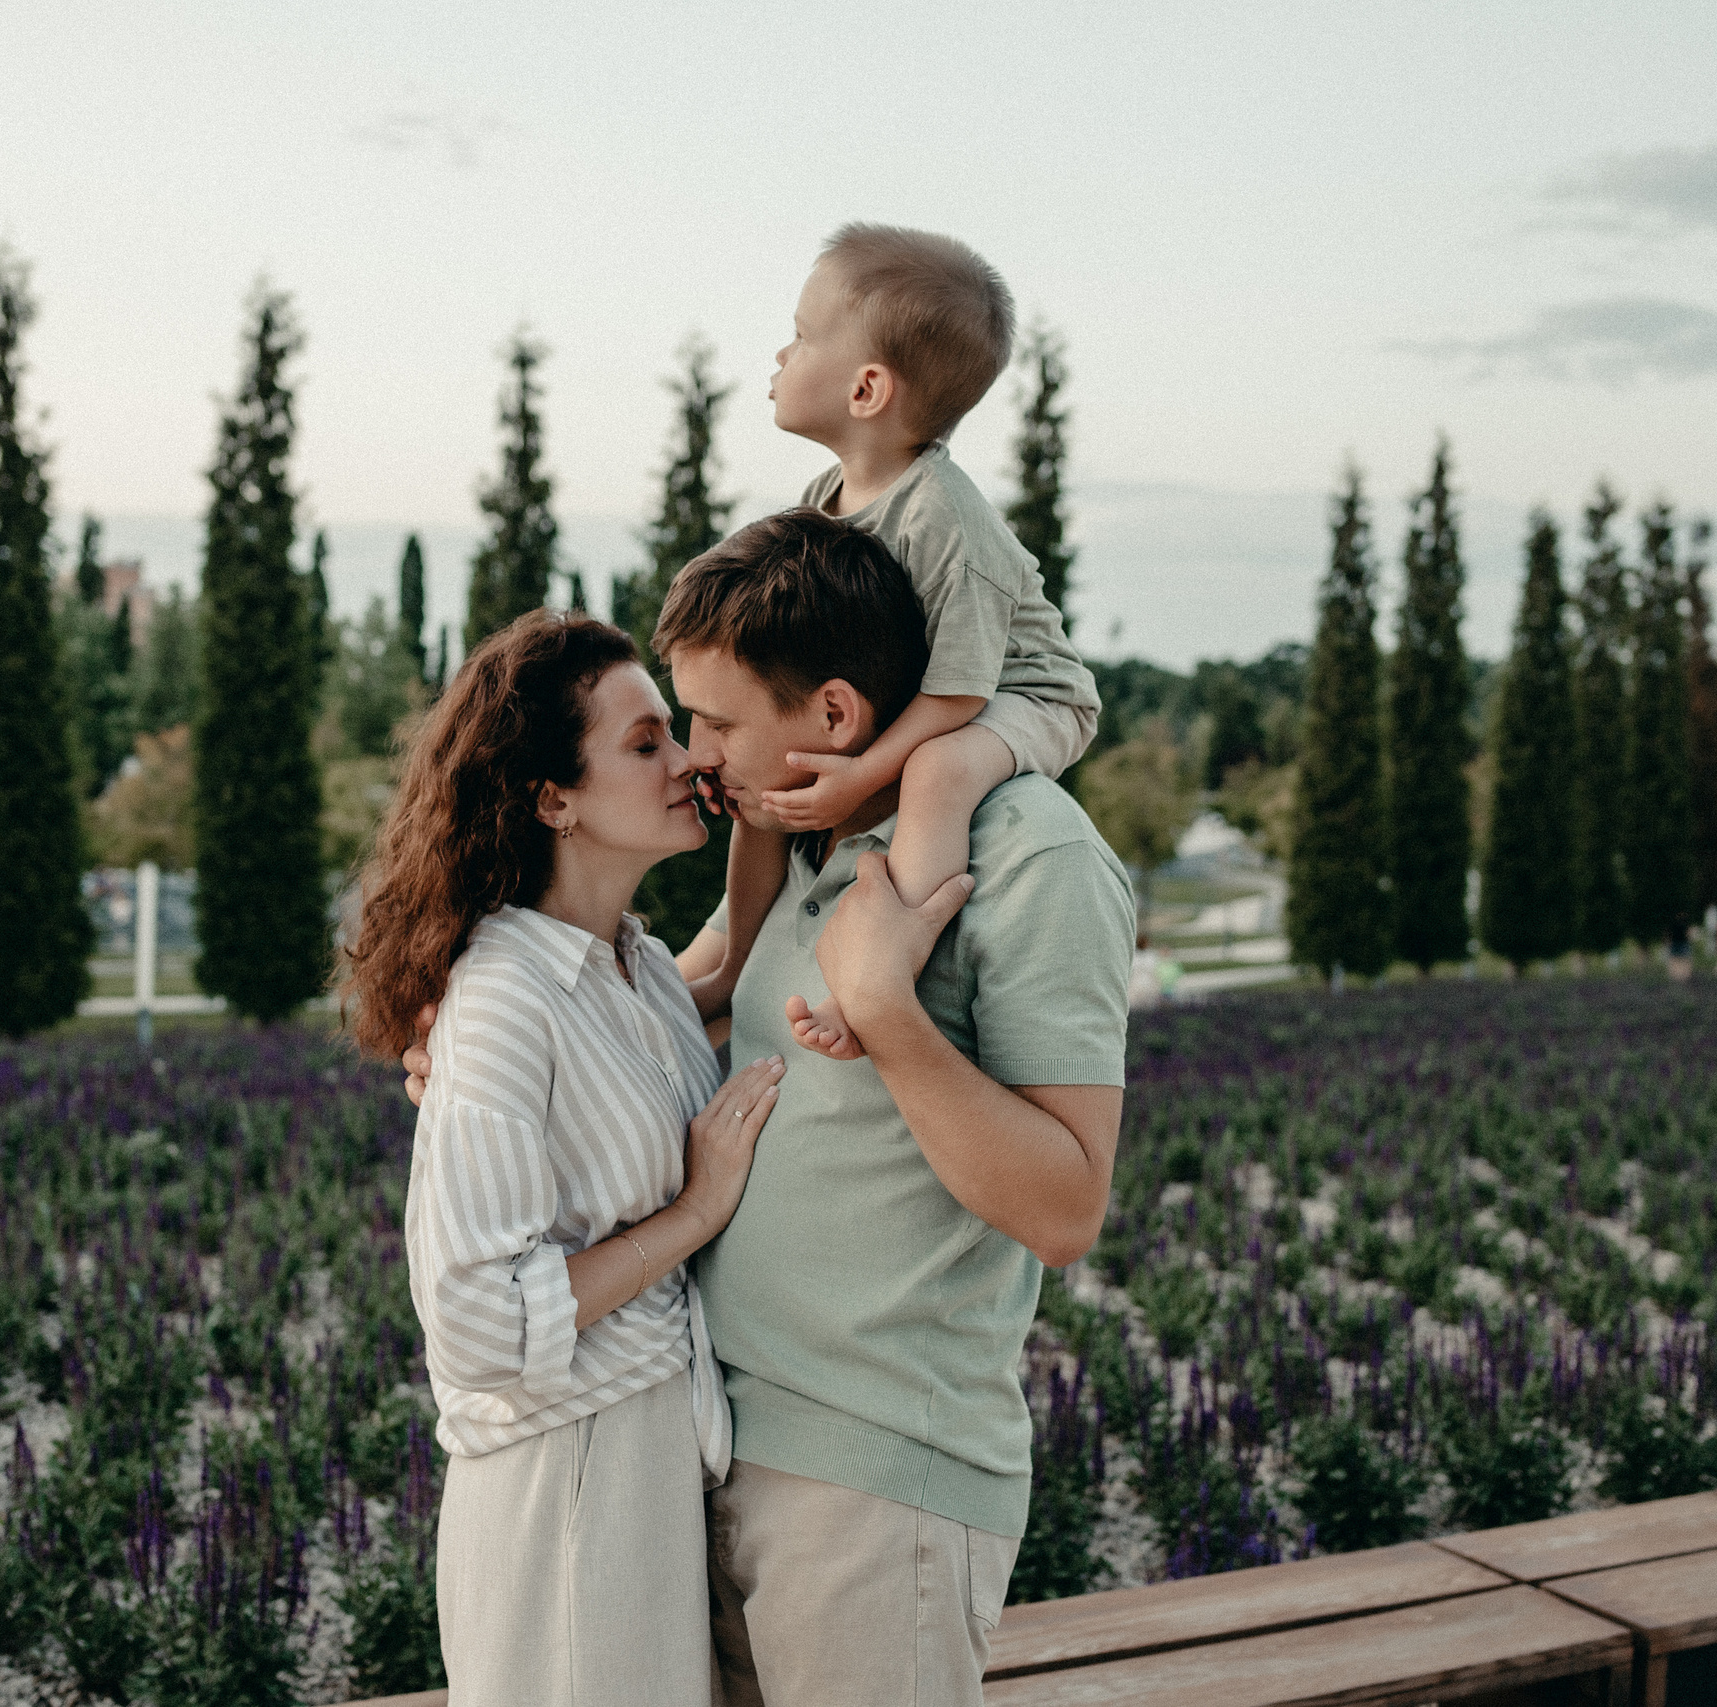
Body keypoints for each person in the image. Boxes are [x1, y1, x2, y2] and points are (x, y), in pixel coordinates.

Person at [664, 511, 1131, 1704]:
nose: (692, 753)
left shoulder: (1032, 857)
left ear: (832, 713)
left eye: (715, 723)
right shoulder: (802, 845)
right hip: (718, 1450)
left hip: (877, 1484)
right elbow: (687, 1011)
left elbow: (1067, 1206)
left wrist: (886, 1009)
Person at [347, 611, 789, 1707]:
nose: (685, 758)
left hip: (648, 1473)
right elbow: (478, 1324)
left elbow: (734, 950)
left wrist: (764, 796)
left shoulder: (627, 963)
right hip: (569, 1492)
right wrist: (692, 1212)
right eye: (646, 744)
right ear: (553, 798)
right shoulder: (500, 1000)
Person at [682, 224, 1101, 1061]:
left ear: (867, 388)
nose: (778, 354)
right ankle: (732, 964)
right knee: (771, 780)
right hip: (950, 688)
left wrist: (861, 781)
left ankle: (881, 977)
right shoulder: (825, 496)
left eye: (801, 338)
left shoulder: (944, 517)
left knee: (939, 771)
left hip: (1026, 694)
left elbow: (959, 696)